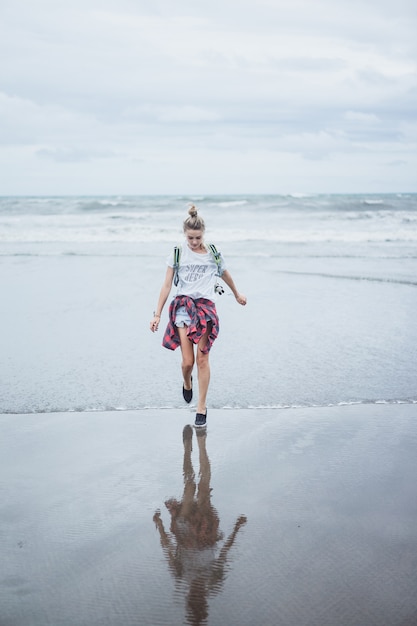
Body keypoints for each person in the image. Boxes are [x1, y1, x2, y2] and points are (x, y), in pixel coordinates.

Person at [150, 204, 247, 427]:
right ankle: (187, 382)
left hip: (205, 309)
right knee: (187, 362)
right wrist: (157, 314)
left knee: (202, 359)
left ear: (203, 234)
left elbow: (225, 274)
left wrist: (237, 294)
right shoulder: (177, 253)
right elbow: (166, 286)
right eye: (190, 238)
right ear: (185, 234)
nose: (194, 242)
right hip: (183, 308)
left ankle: (201, 407)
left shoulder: (213, 252)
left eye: (197, 237)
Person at [153, 425, 247, 625]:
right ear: (204, 601)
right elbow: (224, 554)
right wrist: (236, 529)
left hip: (185, 529)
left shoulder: (181, 576)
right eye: (200, 601)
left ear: (188, 598)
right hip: (206, 530)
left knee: (190, 486)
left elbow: (168, 548)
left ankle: (187, 448)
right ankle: (201, 442)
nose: (197, 596)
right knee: (203, 484)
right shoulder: (213, 581)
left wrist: (160, 525)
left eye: (193, 600)